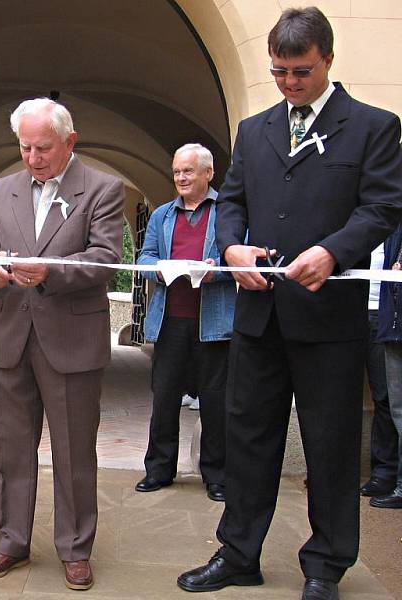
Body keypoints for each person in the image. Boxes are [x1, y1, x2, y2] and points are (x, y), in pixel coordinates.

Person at [177, 7, 402, 599]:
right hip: (260, 313)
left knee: (330, 445)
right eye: (278, 72)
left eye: (299, 71)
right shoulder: (254, 130)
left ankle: (326, 566)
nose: (288, 83)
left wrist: (332, 252)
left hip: (330, 319)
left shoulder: (374, 126)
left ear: (326, 58)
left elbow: (381, 207)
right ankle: (238, 553)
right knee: (249, 437)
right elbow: (232, 202)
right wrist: (231, 249)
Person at [0, 97, 123, 591]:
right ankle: (11, 540)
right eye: (25, 147)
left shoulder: (102, 188)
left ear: (69, 141)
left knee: (75, 450)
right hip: (10, 333)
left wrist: (50, 272)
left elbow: (105, 258)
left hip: (71, 338)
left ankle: (75, 548)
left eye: (43, 148)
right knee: (11, 449)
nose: (33, 157)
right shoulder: (0, 189)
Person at [136, 143, 235, 502]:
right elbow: (145, 256)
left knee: (216, 401)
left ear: (208, 173)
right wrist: (159, 269)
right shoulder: (162, 215)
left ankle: (217, 476)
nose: (180, 177)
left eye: (188, 171)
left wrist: (215, 273)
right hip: (170, 321)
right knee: (164, 399)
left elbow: (241, 258)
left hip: (214, 322)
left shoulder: (227, 212)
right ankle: (159, 470)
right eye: (177, 171)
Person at [362, 243, 399, 498]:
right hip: (345, 312)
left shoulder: (391, 223)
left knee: (385, 397)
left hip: (383, 314)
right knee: (336, 397)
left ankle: (383, 473)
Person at [373, 224, 402, 509]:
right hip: (386, 323)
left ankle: (396, 480)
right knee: (395, 407)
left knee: (395, 406)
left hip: (393, 322)